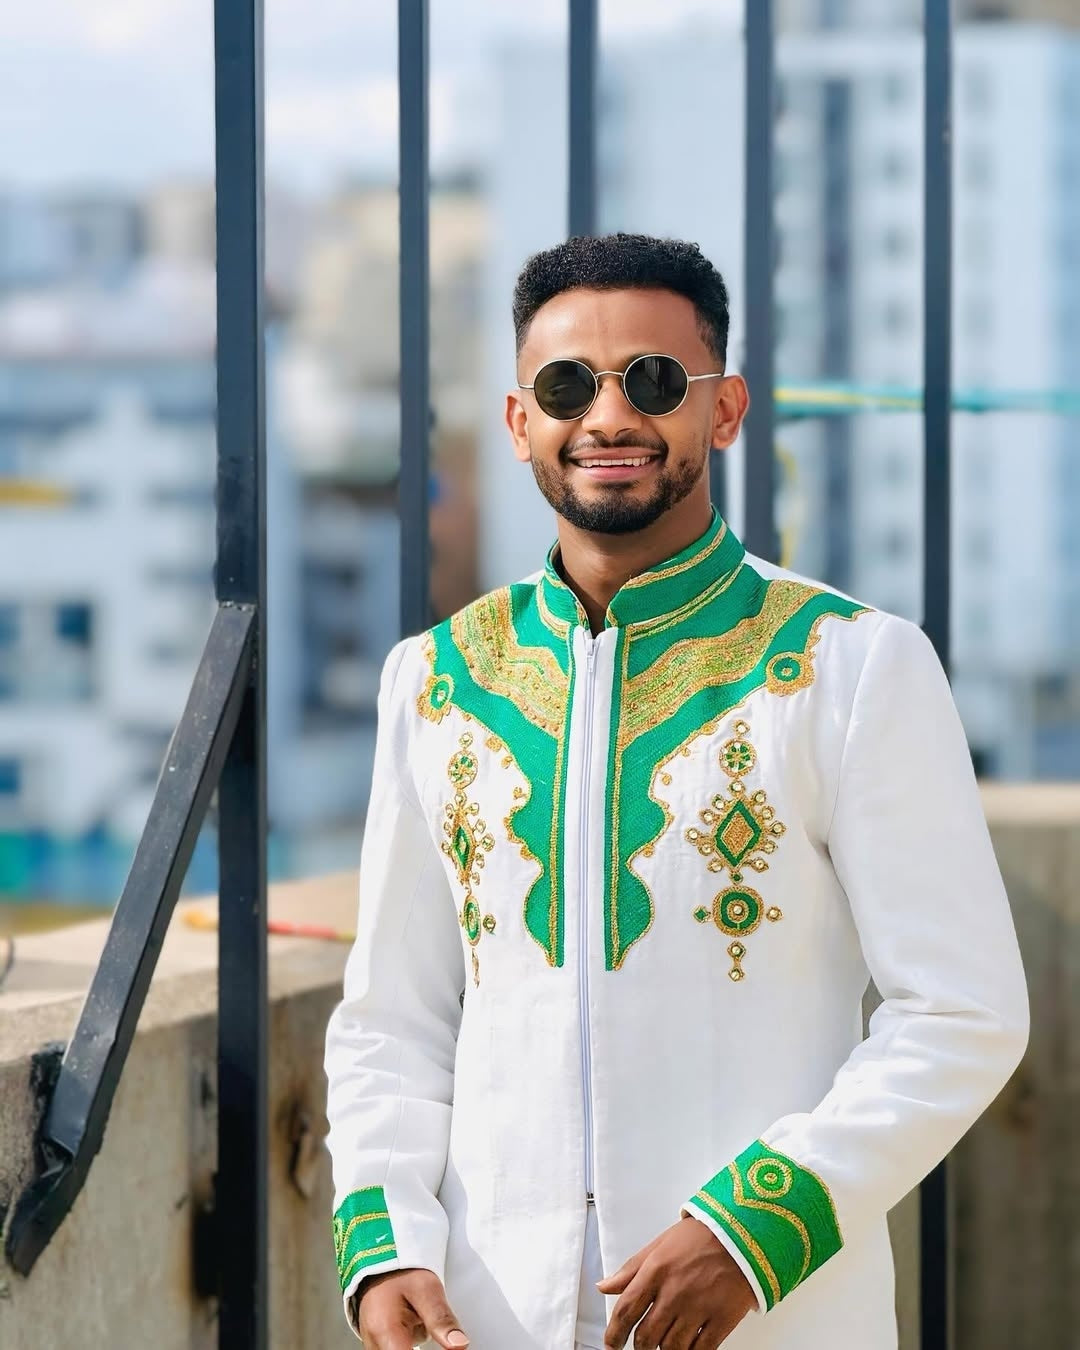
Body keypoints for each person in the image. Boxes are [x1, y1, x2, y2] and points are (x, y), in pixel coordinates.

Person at [324, 233, 1028, 1350]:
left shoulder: (847, 665)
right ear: (519, 421)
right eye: (568, 387)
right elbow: (393, 1017)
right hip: (486, 1317)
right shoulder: (438, 680)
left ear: (724, 410)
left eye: (653, 381)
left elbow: (963, 1013)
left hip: (768, 1314)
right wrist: (386, 1246)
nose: (609, 418)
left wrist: (754, 1233)